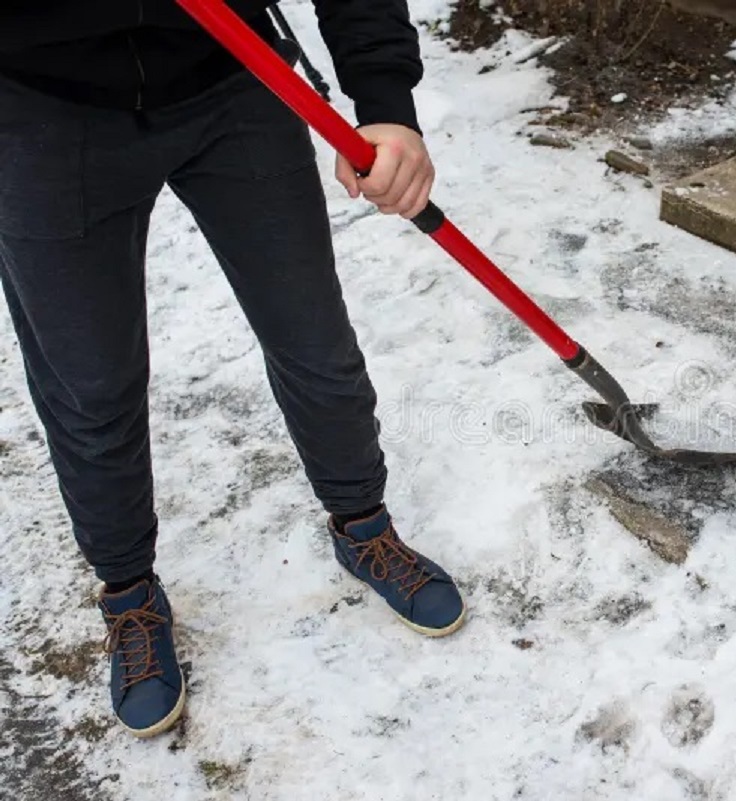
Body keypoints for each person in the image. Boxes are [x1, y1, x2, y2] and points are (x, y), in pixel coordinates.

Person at [0, 0, 466, 739]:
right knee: (90, 386)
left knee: (312, 337)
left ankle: (363, 525)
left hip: (230, 70)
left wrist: (385, 99)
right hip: (41, 107)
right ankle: (128, 593)